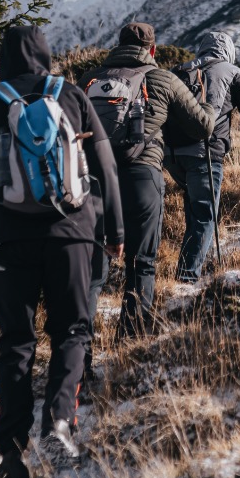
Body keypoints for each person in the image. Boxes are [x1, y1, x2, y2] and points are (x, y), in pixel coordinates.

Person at [0, 25, 123, 478]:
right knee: (73, 332)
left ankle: (12, 458)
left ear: (3, 60)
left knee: (16, 343)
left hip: (8, 241)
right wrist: (116, 230)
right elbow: (106, 165)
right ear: (46, 55)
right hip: (73, 234)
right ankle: (59, 424)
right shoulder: (72, 96)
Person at [82, 22, 212, 337]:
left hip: (93, 179)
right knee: (141, 263)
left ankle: (77, 350)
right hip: (141, 175)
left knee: (92, 268)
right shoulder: (161, 78)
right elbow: (203, 127)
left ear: (118, 46)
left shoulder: (89, 78)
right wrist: (206, 97)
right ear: (152, 50)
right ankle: (130, 342)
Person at [169, 31, 240, 282]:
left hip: (172, 155)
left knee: (194, 212)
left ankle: (186, 269)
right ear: (228, 51)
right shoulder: (231, 71)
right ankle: (186, 278)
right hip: (205, 153)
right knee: (205, 215)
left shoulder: (180, 70)